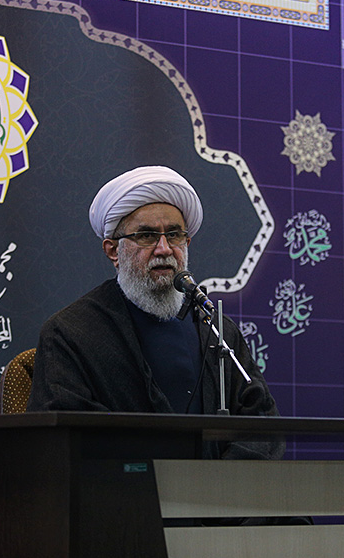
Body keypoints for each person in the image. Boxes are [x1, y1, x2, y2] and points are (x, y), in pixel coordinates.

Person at [26, 165, 283, 460]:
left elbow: (261, 421)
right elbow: (66, 437)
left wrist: (223, 480)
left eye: (174, 235)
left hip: (218, 488)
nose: (164, 249)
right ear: (113, 251)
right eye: (147, 236)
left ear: (186, 243)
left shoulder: (216, 330)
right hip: (125, 487)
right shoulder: (70, 333)